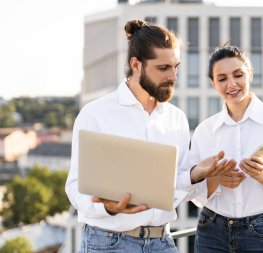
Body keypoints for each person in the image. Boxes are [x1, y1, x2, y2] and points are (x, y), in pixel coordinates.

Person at [65, 19, 228, 253]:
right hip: (109, 243)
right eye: (163, 68)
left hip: (162, 240)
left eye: (176, 66)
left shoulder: (176, 118)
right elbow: (75, 187)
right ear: (136, 65)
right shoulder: (96, 114)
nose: (173, 76)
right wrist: (109, 207)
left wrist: (196, 174)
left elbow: (172, 188)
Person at [189, 45, 263, 253]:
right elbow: (194, 195)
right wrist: (217, 180)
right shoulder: (203, 131)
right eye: (222, 78)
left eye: (238, 75)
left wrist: (262, 175)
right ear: (213, 83)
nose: (231, 84)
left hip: (262, 230)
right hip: (211, 231)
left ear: (249, 74)